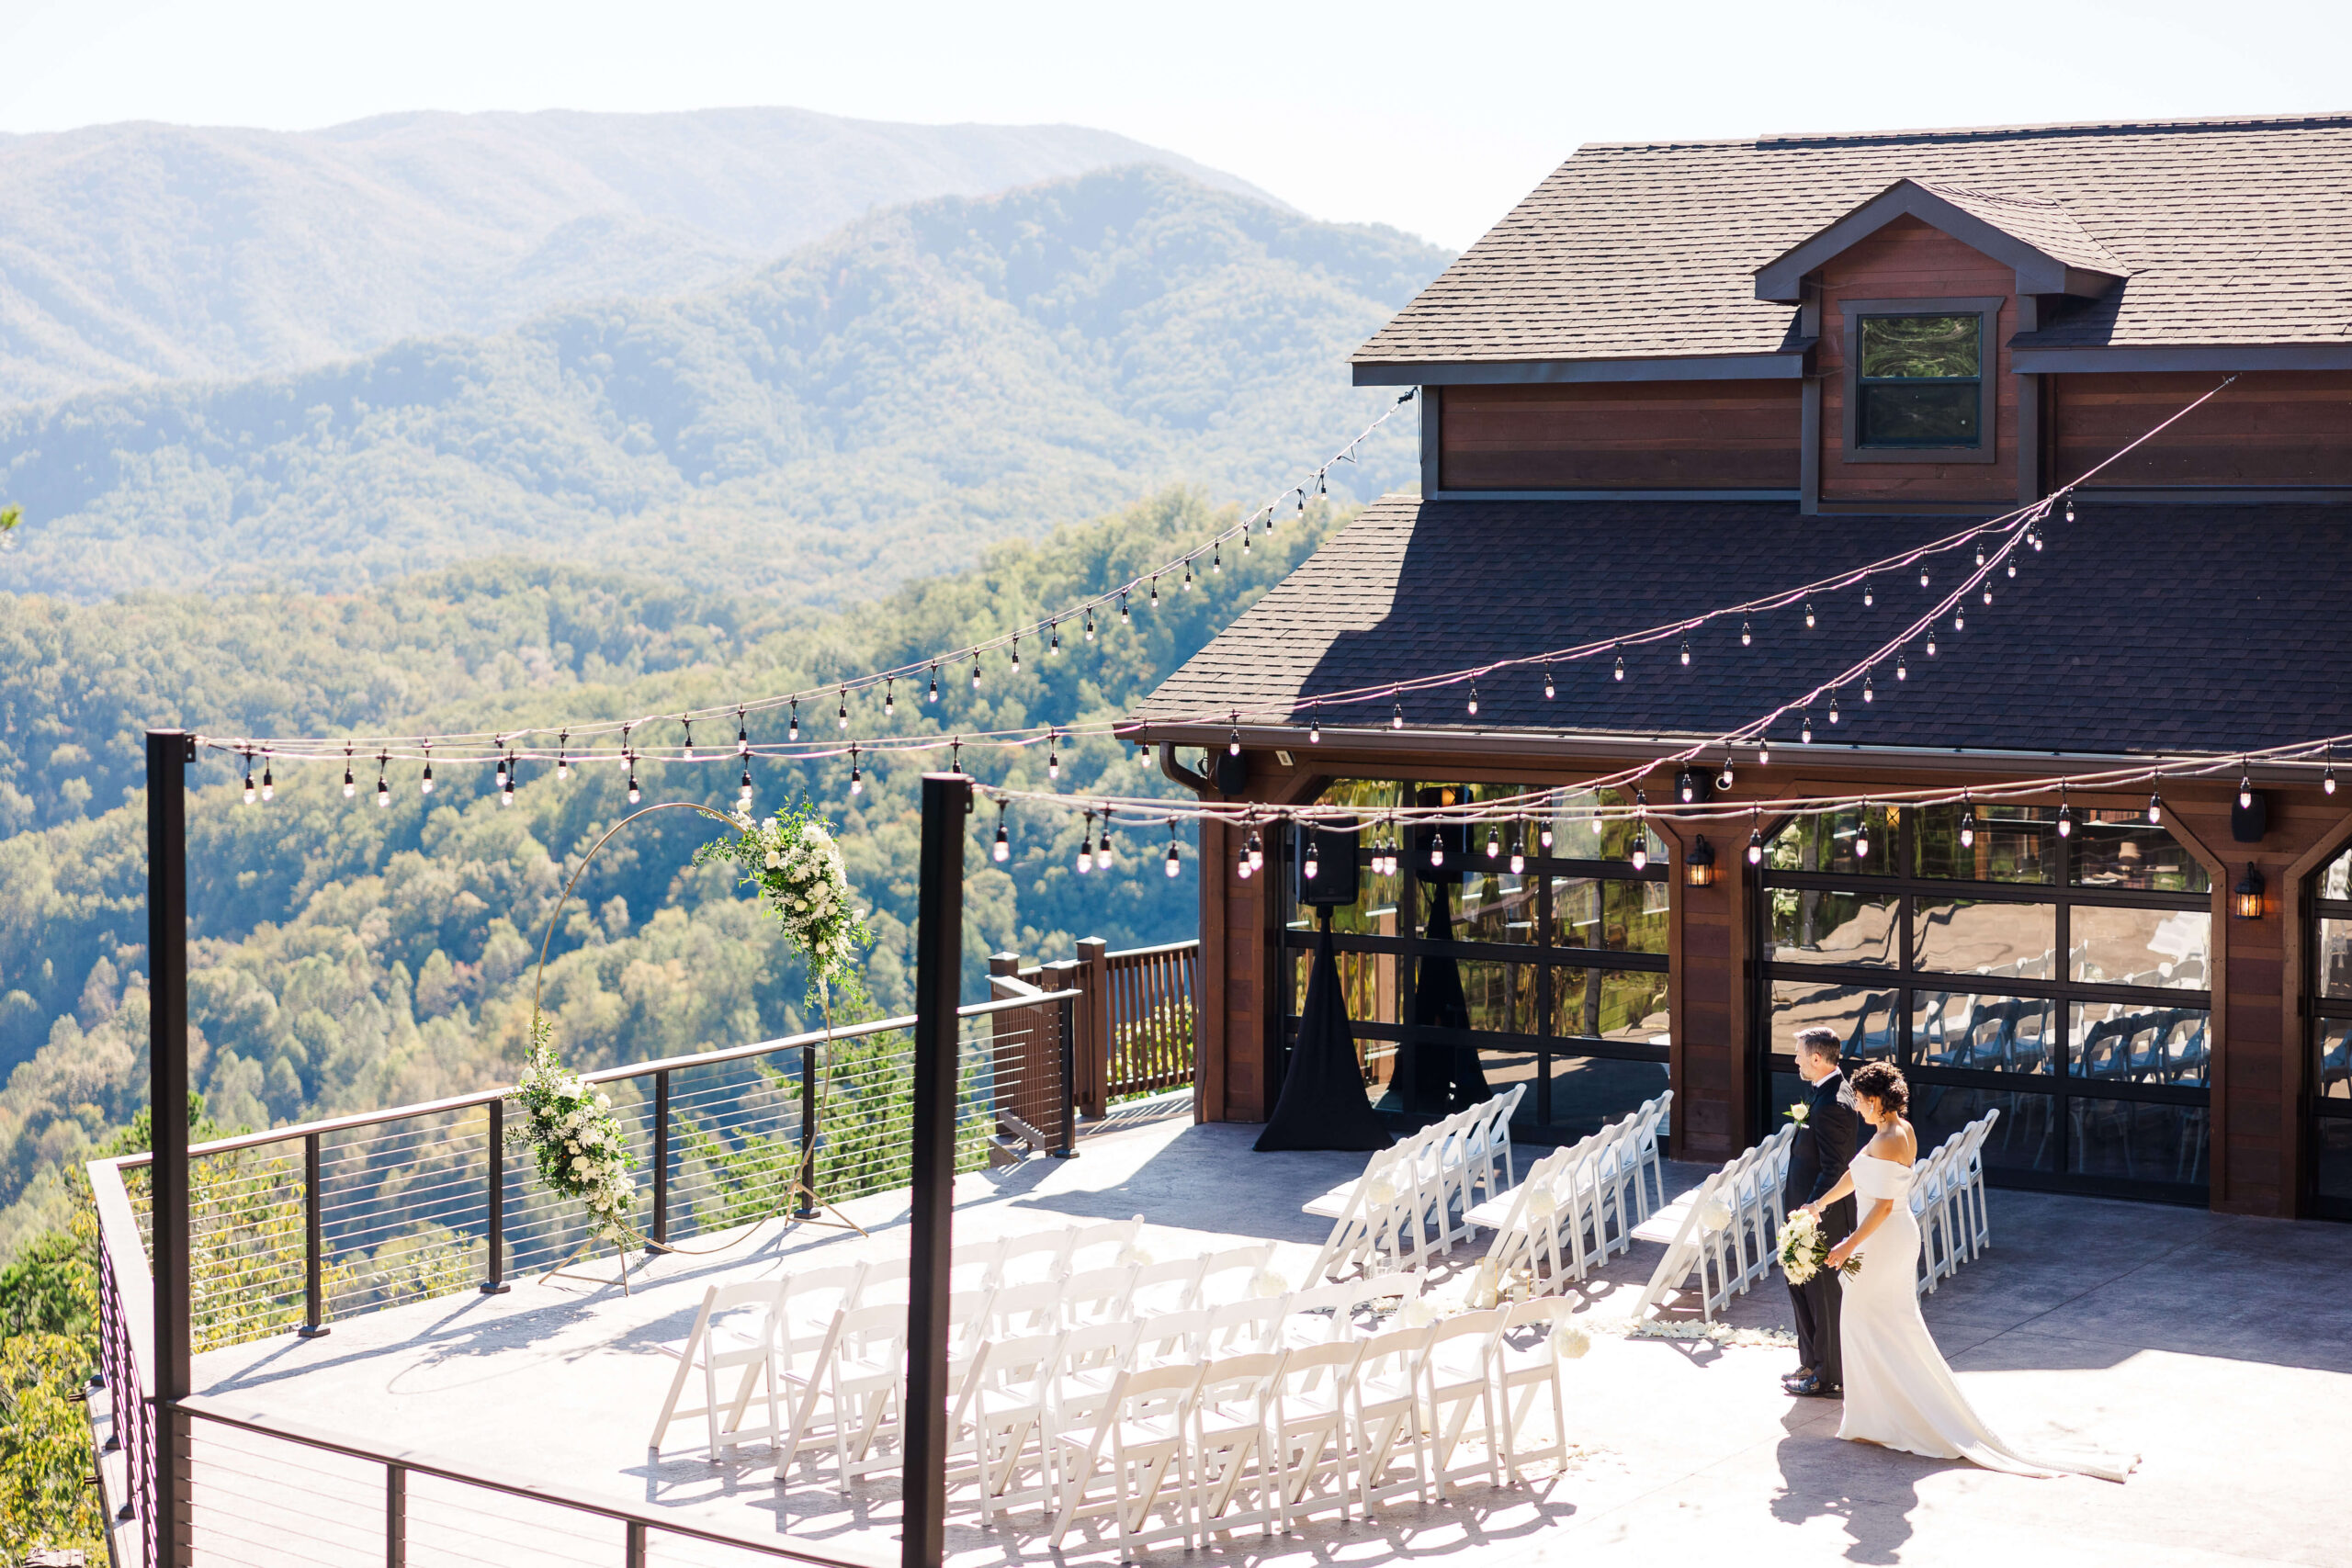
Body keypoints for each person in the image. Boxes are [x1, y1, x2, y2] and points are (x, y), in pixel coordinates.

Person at [1798, 1062, 2136, 1480]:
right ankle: (1877, 1416)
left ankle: (1898, 1417)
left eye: (1862, 1102)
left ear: (1878, 1102)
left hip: (1883, 1240)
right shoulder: (1890, 1130)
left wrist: (1850, 1243)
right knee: (1869, 1324)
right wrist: (1819, 1205)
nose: (1858, 1109)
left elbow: (1884, 1206)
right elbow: (1854, 1175)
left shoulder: (1891, 1138)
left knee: (1880, 1324)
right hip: (1882, 1237)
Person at [1781, 1026, 1860, 1398]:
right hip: (1805, 1213)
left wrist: (1810, 1212)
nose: (1795, 1060)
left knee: (1823, 1295)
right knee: (1801, 1289)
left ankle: (1825, 1375)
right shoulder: (1823, 1093)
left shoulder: (1834, 1105)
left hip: (1819, 1217)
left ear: (1816, 1058)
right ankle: (1810, 1361)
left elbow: (1834, 1169)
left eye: (1799, 1054)